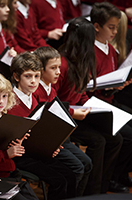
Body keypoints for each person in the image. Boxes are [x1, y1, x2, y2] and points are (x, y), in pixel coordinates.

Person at [53, 17, 123, 195]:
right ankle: (91, 192)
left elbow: (80, 92)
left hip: (79, 112)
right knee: (98, 141)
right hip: (63, 119)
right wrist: (73, 111)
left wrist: (89, 104)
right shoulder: (61, 64)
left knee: (116, 138)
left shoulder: (82, 59)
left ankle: (102, 188)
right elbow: (51, 102)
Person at [7, 52, 78, 199]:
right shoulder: (9, 102)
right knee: (58, 181)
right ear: (16, 77)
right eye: (28, 76)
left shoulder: (32, 98)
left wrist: (51, 145)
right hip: (21, 156)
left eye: (37, 76)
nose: (33, 81)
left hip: (37, 151)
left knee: (70, 175)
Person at [90, 2, 132, 192]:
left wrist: (125, 81)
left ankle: (121, 174)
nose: (114, 32)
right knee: (128, 137)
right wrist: (111, 86)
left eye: (116, 28)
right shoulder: (90, 51)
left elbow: (112, 79)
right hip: (95, 105)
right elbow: (90, 87)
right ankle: (109, 179)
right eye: (110, 28)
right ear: (96, 27)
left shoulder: (110, 50)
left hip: (109, 102)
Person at [33, 46, 92, 196]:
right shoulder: (36, 91)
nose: (59, 72)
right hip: (49, 142)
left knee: (87, 163)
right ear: (40, 70)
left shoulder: (51, 89)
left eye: (59, 67)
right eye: (53, 68)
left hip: (60, 138)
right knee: (77, 168)